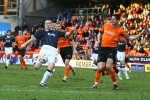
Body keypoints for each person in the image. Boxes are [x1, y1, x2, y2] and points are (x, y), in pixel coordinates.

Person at [92, 14, 148, 90]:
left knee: (108, 66)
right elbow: (100, 33)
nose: (112, 20)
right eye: (111, 19)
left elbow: (131, 37)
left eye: (113, 19)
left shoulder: (120, 30)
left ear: (118, 21)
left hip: (112, 49)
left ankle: (115, 84)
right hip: (102, 49)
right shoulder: (106, 25)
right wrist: (98, 40)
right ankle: (95, 83)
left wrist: (141, 33)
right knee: (100, 67)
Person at [21, 19, 74, 87]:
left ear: (52, 25)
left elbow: (67, 34)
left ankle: (42, 82)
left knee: (51, 66)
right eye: (46, 23)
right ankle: (35, 59)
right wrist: (24, 44)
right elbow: (32, 39)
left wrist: (71, 32)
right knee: (36, 67)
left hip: (53, 51)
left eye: (49, 23)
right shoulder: (42, 31)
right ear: (45, 25)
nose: (48, 24)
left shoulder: (56, 32)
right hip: (44, 50)